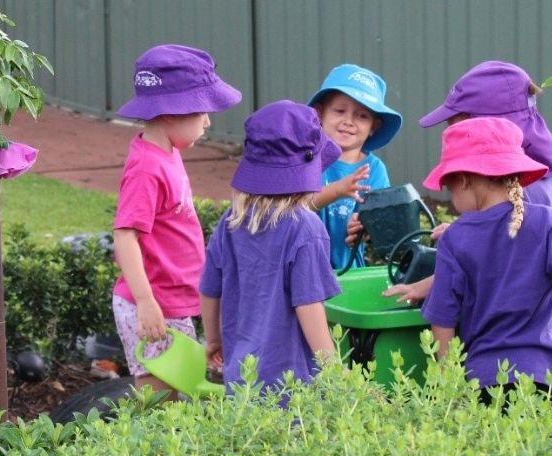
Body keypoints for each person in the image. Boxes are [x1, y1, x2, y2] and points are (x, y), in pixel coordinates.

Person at [382, 60, 552, 390]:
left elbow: (512, 260)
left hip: (544, 340)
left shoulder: (531, 189)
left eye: (459, 128)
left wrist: (433, 282)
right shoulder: (527, 175)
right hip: (543, 346)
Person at [419, 116, 552, 404]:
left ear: (464, 179)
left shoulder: (455, 238)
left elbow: (443, 317)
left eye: (449, 187)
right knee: (540, 448)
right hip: (543, 377)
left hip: (483, 380)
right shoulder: (547, 221)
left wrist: (445, 378)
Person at [110, 44, 241, 399]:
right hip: (154, 305)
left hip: (171, 302)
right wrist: (146, 302)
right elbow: (125, 236)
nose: (208, 122)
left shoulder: (168, 153)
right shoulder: (147, 167)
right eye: (201, 113)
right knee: (158, 404)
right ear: (171, 112)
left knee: (180, 399)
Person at [199, 101, 343, 408]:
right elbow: (309, 307)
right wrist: (334, 374)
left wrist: (213, 340)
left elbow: (209, 290)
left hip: (241, 381)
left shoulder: (231, 220)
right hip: (292, 390)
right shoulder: (305, 228)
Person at [306, 64, 402, 270]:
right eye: (340, 111)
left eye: (362, 116)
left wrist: (363, 228)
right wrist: (338, 190)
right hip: (301, 269)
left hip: (346, 272)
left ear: (374, 127)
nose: (348, 121)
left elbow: (376, 224)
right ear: (319, 113)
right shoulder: (305, 157)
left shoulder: (374, 170)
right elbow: (292, 208)